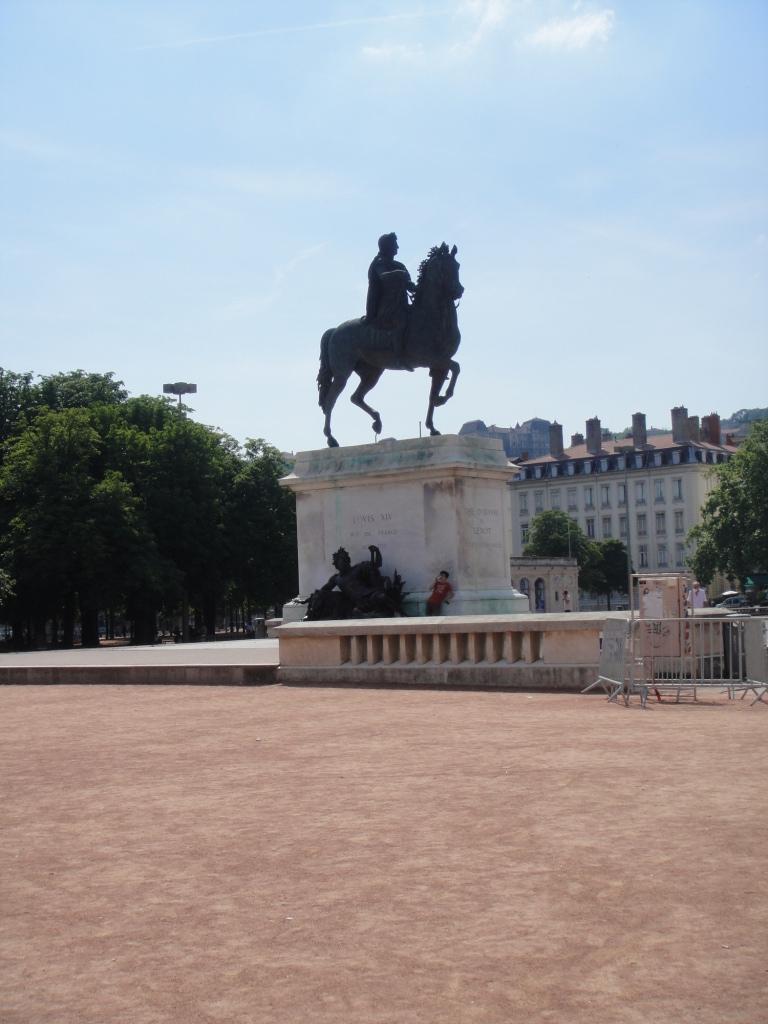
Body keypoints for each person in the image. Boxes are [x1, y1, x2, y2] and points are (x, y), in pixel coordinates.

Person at [365, 232, 416, 370]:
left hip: (401, 304)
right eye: (395, 244)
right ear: (387, 246)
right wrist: (399, 274)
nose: (397, 247)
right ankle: (399, 356)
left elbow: (409, 285)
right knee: (400, 321)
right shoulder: (379, 263)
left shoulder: (399, 265)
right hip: (385, 307)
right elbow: (384, 276)